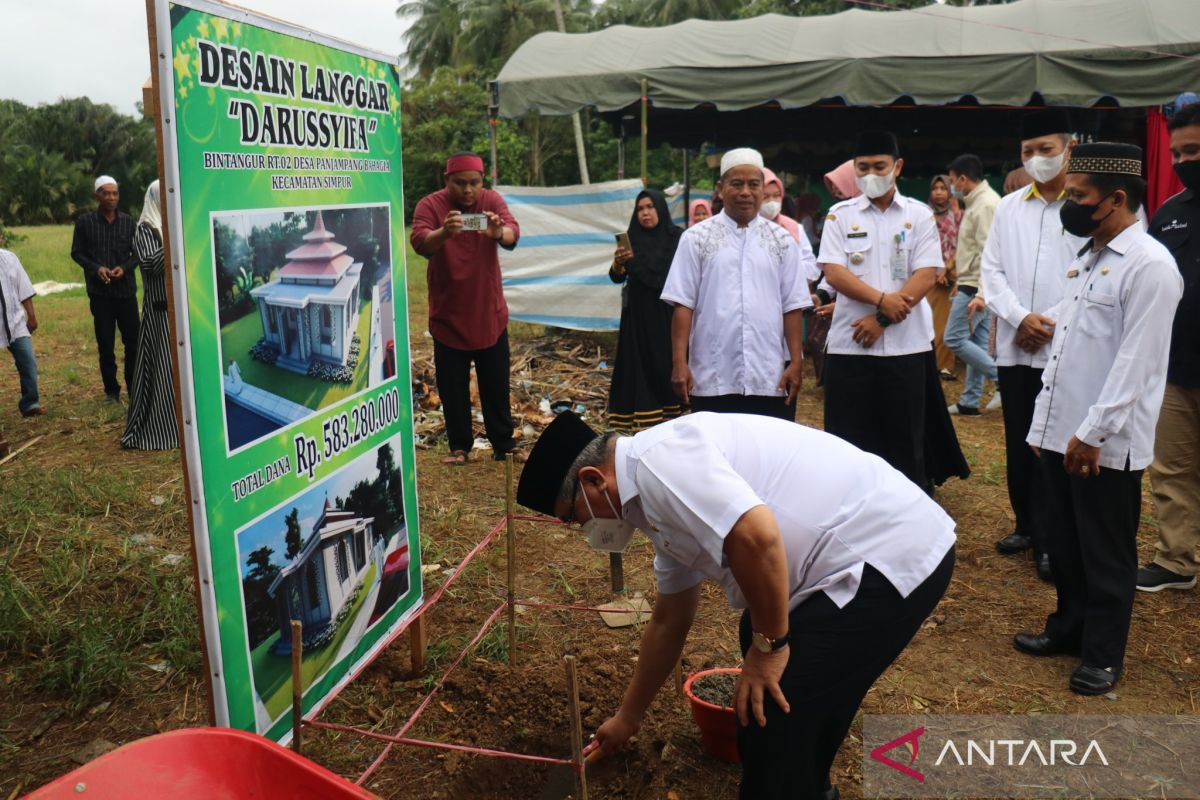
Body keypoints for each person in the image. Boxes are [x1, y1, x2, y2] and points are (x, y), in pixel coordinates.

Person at [516, 410, 956, 800]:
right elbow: (670, 619)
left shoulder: (660, 463)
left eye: (573, 515)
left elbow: (756, 535)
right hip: (848, 558)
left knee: (778, 712)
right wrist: (628, 717)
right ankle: (807, 785)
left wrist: (771, 648)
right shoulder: (648, 502)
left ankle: (790, 785)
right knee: (767, 654)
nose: (582, 527)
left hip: (885, 552)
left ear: (594, 479)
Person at [1015, 143, 1183, 695]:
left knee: (1105, 555)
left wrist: (1092, 433)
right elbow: (1069, 348)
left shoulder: (1151, 266)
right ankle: (1067, 630)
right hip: (1064, 432)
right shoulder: (1090, 256)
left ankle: (1103, 655)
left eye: (1079, 196)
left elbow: (1137, 363)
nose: (1069, 204)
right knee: (1063, 544)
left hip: (1104, 444)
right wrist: (1045, 426)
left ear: (1115, 199)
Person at [981, 108, 1080, 580]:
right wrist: (1021, 317)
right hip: (1017, 344)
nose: (1038, 159)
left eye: (1046, 149)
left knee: (1052, 443)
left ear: (1069, 148)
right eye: (1028, 152)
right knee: (1019, 436)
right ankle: (1025, 523)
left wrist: (1052, 321)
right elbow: (991, 271)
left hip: (1067, 346)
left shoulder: (1086, 206)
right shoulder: (1009, 207)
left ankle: (1051, 535)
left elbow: (1097, 272)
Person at [818, 131, 943, 486]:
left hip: (906, 347)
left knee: (906, 443)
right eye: (863, 168)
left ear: (897, 167)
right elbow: (833, 271)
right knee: (848, 443)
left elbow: (927, 273)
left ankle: (909, 524)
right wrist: (880, 300)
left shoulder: (919, 215)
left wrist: (882, 318)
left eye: (879, 166)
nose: (871, 174)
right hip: (851, 346)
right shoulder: (839, 215)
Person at [661, 148, 811, 420]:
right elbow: (683, 304)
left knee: (767, 455)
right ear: (720, 189)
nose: (745, 192)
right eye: (736, 184)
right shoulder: (696, 239)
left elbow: (793, 306)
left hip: (769, 376)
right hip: (712, 374)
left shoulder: (782, 241)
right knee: (716, 455)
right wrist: (679, 363)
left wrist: (797, 362)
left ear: (763, 190)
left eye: (753, 184)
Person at [411, 152, 522, 465]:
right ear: (447, 181)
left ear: (482, 181)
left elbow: (514, 232)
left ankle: (503, 443)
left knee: (496, 384)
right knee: (452, 387)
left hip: (489, 312)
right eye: (460, 183)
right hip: (449, 313)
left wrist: (499, 232)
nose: (468, 190)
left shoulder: (492, 201)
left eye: (474, 183)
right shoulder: (430, 206)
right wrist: (445, 231)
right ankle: (460, 447)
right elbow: (420, 242)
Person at [1138, 102, 1200, 592]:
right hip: (1176, 368)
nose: (1182, 161)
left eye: (1194, 150)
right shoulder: (1170, 213)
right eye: (1177, 153)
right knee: (1172, 469)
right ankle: (1177, 560)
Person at [607, 189, 684, 432]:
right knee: (640, 366)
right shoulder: (631, 241)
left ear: (660, 209)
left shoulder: (677, 239)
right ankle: (645, 419)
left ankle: (673, 416)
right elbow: (616, 277)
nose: (645, 213)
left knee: (666, 364)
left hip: (667, 316)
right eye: (640, 209)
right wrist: (619, 263)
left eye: (650, 207)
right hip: (638, 319)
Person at [72, 175, 139, 403]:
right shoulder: (84, 222)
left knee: (133, 343)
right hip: (100, 296)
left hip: (126, 293)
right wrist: (96, 268)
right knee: (106, 344)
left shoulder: (129, 222)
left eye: (115, 193)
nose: (111, 197)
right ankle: (112, 391)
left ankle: (135, 388)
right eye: (106, 193)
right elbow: (77, 253)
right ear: (96, 196)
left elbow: (138, 254)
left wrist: (125, 268)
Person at [121, 181, 178, 450]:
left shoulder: (175, 225)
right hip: (160, 312)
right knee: (164, 372)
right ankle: (163, 428)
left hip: (181, 312)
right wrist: (176, 237)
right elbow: (150, 264)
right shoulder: (144, 229)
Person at [944, 154, 1001, 416]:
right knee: (977, 343)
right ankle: (970, 401)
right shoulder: (976, 203)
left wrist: (980, 291)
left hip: (978, 287)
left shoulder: (985, 205)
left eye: (953, 180)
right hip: (972, 283)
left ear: (963, 179)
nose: (952, 185)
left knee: (954, 338)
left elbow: (989, 253)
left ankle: (1002, 378)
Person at [0, 244, 43, 417]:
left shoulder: (9, 258)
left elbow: (23, 287)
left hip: (15, 322)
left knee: (28, 362)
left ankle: (29, 403)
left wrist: (31, 316)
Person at [927, 175, 961, 378]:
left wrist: (947, 269)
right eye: (935, 188)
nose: (939, 192)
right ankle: (930, 362)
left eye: (943, 188)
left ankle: (945, 365)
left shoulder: (956, 214)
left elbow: (962, 244)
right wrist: (936, 269)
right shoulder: (925, 214)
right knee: (929, 320)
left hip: (951, 274)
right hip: (929, 273)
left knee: (946, 322)